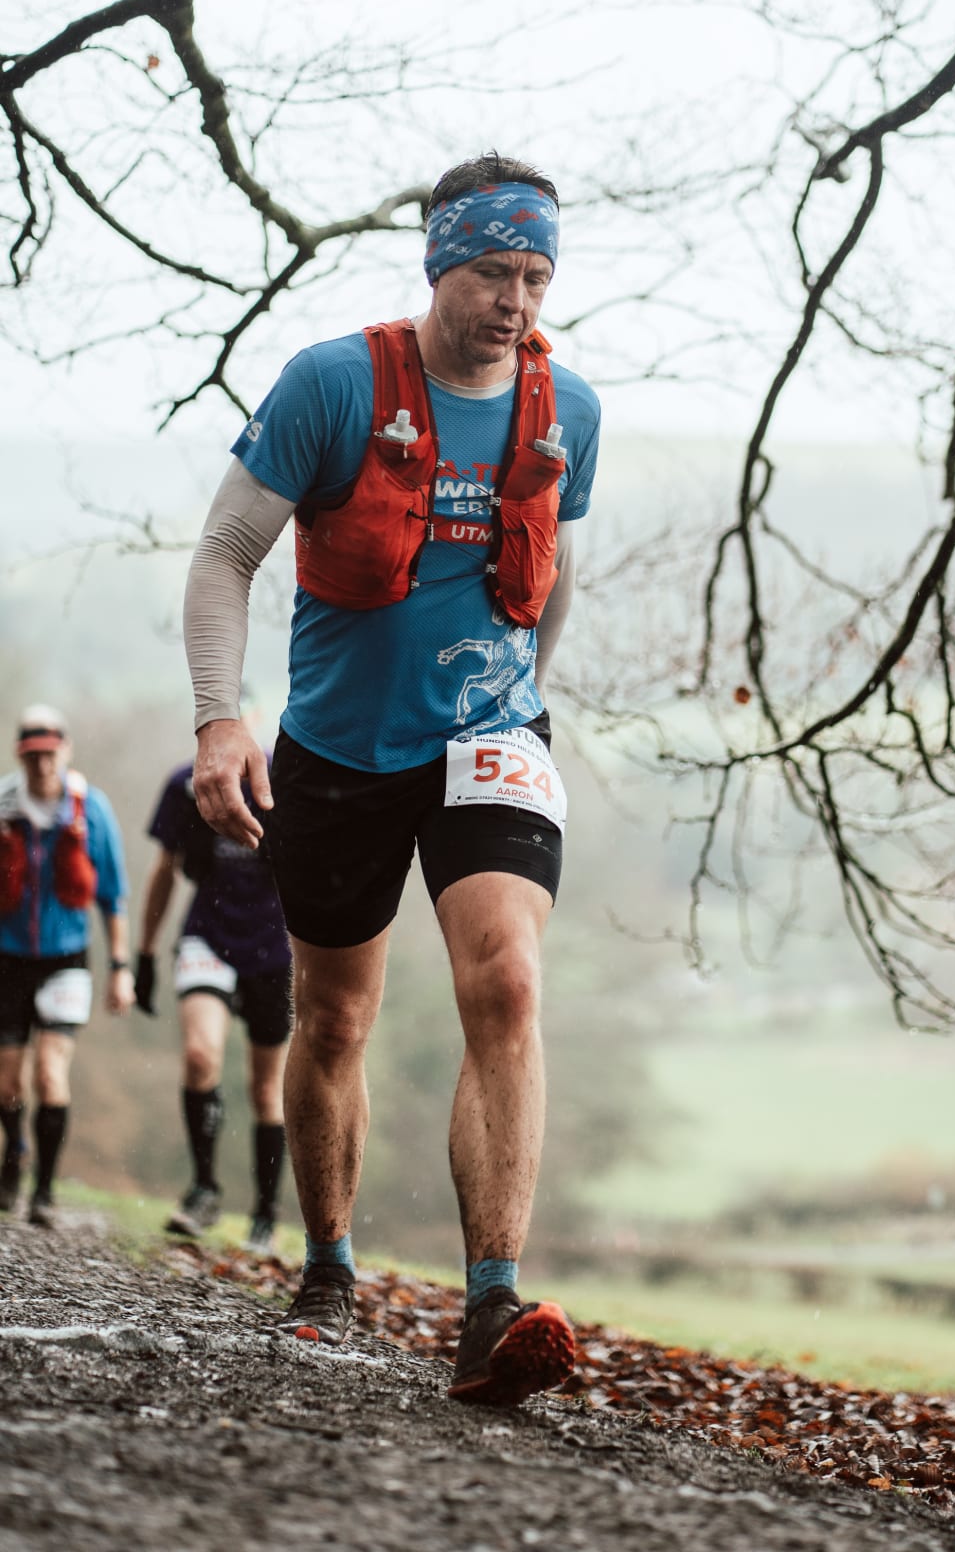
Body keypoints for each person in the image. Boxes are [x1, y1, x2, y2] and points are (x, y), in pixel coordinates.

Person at [183, 152, 600, 1406]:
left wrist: (525, 708)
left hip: (490, 738)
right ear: (439, 264)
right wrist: (219, 722)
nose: (515, 300)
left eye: (536, 277)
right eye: (493, 272)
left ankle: (492, 1303)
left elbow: (556, 574)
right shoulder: (333, 386)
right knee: (336, 1018)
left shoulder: (569, 409)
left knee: (508, 982)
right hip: (340, 751)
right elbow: (225, 554)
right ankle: (328, 1264)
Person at [136, 711, 291, 1255]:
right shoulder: (185, 785)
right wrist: (145, 951)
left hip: (273, 946)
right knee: (201, 1055)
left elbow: (312, 873)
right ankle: (204, 1189)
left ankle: (265, 1212)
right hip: (207, 935)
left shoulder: (282, 781)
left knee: (266, 1089)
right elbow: (165, 869)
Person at [0, 703, 131, 1226]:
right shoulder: (4, 805)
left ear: (65, 751)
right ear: (20, 755)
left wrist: (120, 966)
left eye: (50, 754)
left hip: (67, 958)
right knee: (7, 1083)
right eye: (33, 755)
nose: (42, 764)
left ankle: (44, 1191)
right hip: (8, 958)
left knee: (50, 1074)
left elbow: (112, 895)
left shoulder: (90, 809)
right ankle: (16, 1150)